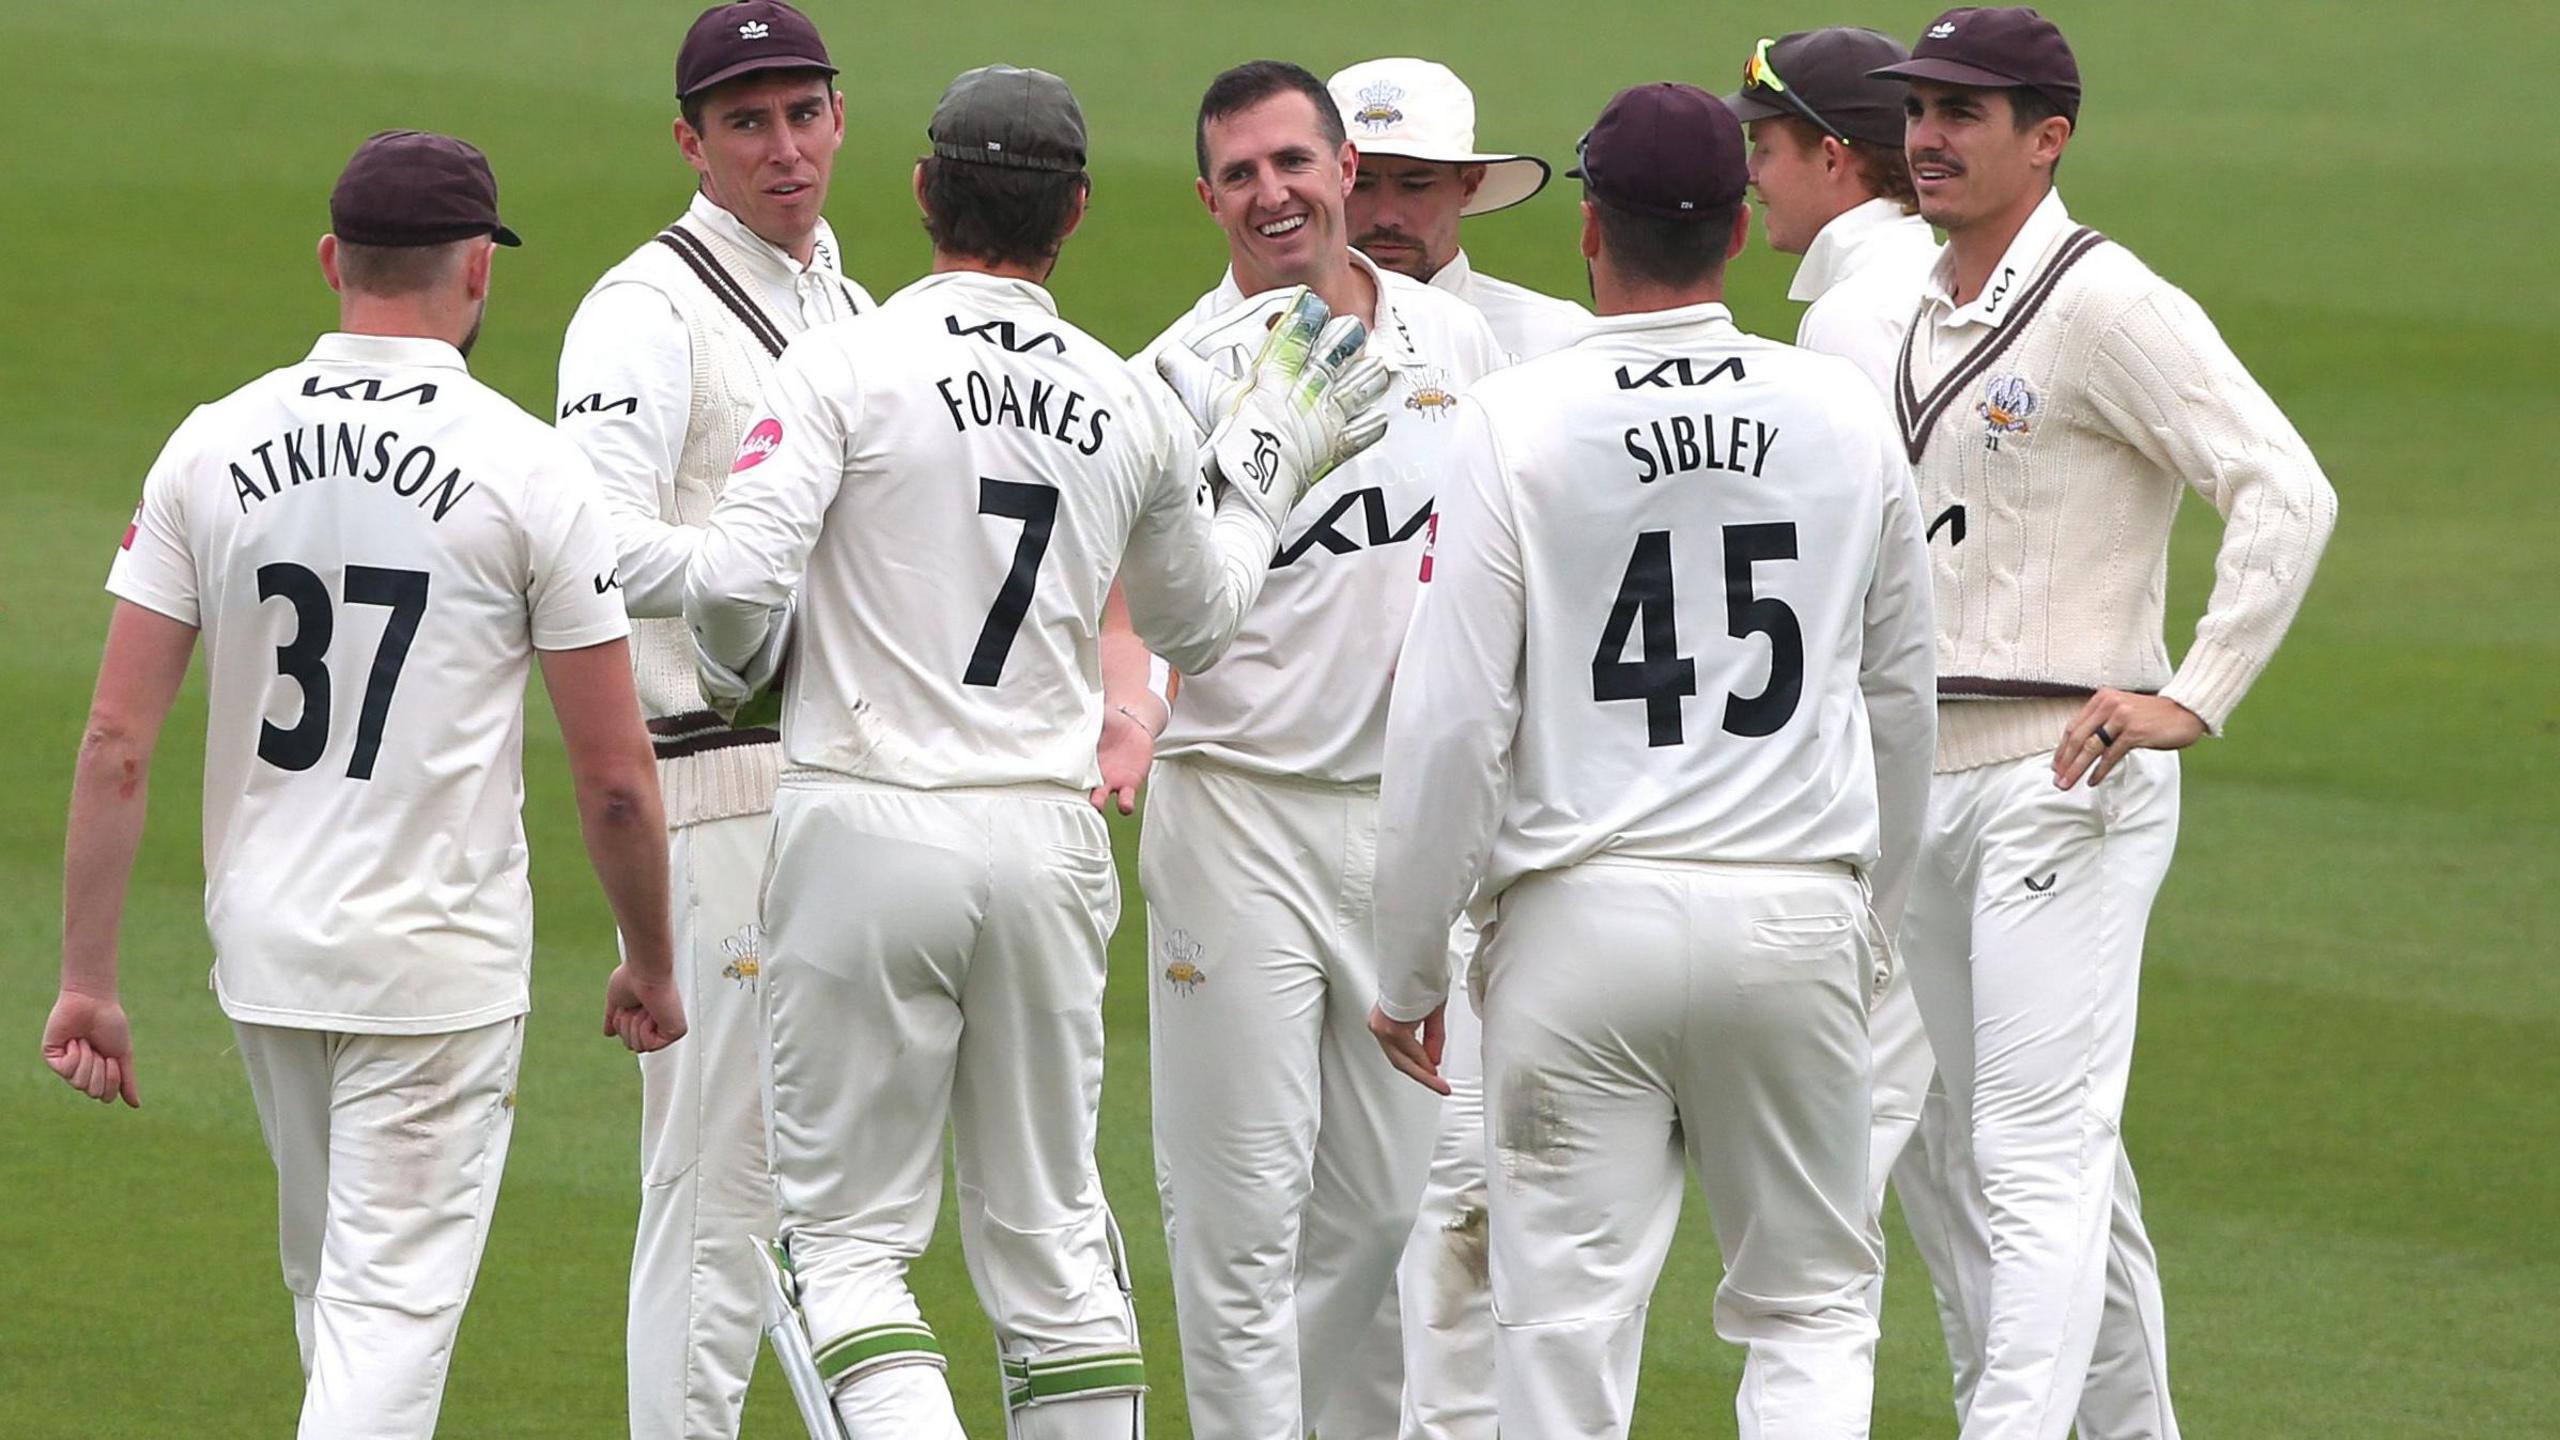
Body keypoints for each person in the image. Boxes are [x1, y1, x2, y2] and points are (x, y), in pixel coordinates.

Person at [682, 64, 1390, 1440]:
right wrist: (1270, 457)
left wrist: (738, 673)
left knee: (839, 1246)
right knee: (1057, 1243)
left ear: (925, 191)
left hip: (868, 820)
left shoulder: (845, 358)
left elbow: (731, 591)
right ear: (1073, 212)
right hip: (1049, 843)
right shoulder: (1122, 397)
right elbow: (1202, 620)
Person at [42, 130, 684, 1440]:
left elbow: (116, 736)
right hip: (432, 963)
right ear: (477, 274)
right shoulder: (527, 466)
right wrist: (649, 955)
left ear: (334, 261)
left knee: (334, 1292)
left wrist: (90, 979)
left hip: (270, 946)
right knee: (385, 1319)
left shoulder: (210, 445)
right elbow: (615, 778)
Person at [1366, 82, 1936, 1440]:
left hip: (1579, 927)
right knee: (1806, 1312)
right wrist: (1878, 916)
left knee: (1559, 1329)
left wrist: (1405, 960)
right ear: (1740, 229)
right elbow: (1904, 699)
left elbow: (1451, 717)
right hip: (1796, 907)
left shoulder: (1515, 418)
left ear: (1587, 233)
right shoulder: (1844, 412)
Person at [1867, 10, 2338, 1439]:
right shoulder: (1917, 297)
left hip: (2064, 779)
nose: (1930, 135)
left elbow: (2282, 487)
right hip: (1927, 787)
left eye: (1967, 110)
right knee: (2025, 1157)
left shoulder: (2105, 301)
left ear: (2049, 134)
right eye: (1919, 108)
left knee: (2029, 1151)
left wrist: (2195, 690)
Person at [1099, 58, 1509, 1440]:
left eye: (1294, 162)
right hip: (1236, 818)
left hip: (1406, 834)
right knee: (1238, 1213)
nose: (1272, 193)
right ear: (1210, 198)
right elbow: (1130, 604)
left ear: (1343, 168)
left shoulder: (1459, 356)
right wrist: (1132, 717)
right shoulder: (1174, 376)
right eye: (1240, 173)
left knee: (1384, 1209)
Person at [553, 5, 873, 1434]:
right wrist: (749, 581)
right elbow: (591, 545)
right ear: (692, 143)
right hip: (717, 788)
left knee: (836, 1189)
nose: (783, 147)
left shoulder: (851, 309)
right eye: (747, 121)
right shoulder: (647, 307)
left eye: (801, 113)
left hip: (844, 786)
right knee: (713, 1184)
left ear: (841, 118)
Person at [1320, 52, 1585, 1440]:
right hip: (1294, 824)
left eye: (1418, 186)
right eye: (1367, 182)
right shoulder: (1252, 345)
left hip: (1498, 841)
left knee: (1472, 1197)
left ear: (1471, 193)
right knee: (1333, 1207)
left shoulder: (1553, 348)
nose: (1387, 215)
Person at [1727, 13, 1978, 1384]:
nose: (1750, 173)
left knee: (1827, 1197)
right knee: (2014, 1167)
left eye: (1764, 145)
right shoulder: (1925, 276)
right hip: (1973, 761)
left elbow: (1848, 593)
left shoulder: (1851, 317)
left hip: (1897, 788)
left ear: (1834, 155)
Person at [1330, 56, 1588, 360]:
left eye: (1415, 186)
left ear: (1469, 184)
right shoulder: (1267, 331)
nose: (1386, 216)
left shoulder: (1559, 341)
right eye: (1361, 185)